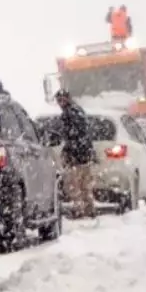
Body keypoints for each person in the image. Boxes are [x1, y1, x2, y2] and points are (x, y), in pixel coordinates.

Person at [54, 89, 96, 219]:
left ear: (67, 98)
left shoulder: (68, 114)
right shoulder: (79, 111)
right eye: (59, 100)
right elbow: (84, 133)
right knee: (85, 185)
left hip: (76, 156)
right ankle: (90, 209)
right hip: (86, 154)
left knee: (73, 186)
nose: (60, 103)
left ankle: (79, 210)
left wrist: (68, 151)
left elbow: (70, 136)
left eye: (62, 99)